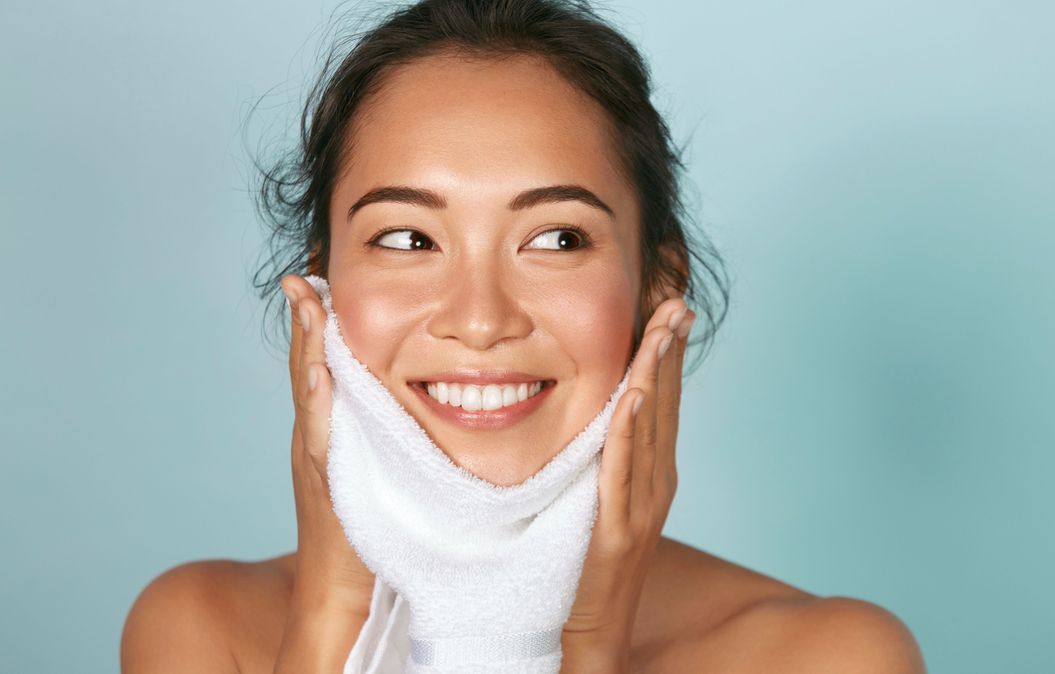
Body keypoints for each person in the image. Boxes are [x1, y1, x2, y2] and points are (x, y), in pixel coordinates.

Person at [121, 1, 924, 671]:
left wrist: (583, 645)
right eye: (407, 239)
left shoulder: (826, 657)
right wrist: (330, 618)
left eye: (557, 239)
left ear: (658, 287)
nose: (479, 320)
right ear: (321, 293)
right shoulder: (203, 632)